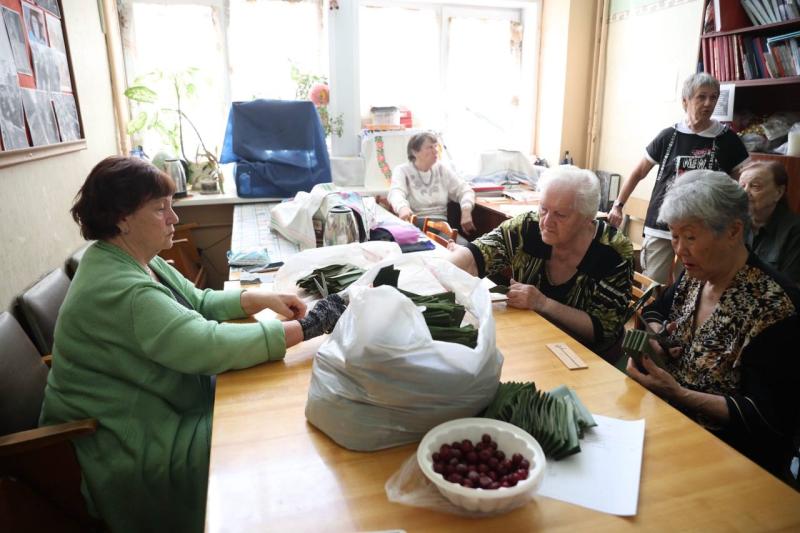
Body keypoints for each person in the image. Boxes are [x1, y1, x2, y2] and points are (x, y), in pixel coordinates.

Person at [39, 156, 347, 533]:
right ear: (122, 218)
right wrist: (308, 326)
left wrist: (264, 298)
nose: (174, 219)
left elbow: (197, 303)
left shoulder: (131, 259)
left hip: (154, 405)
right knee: (267, 428)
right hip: (125, 439)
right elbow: (205, 345)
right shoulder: (123, 289)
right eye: (160, 210)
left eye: (171, 207)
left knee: (264, 404)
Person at [627, 170, 799, 479]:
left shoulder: (774, 307)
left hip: (734, 462)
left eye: (691, 237)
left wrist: (679, 393)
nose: (679, 249)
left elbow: (767, 416)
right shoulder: (696, 274)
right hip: (671, 431)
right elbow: (658, 310)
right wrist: (656, 339)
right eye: (674, 235)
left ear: (733, 231)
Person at [447, 165, 633, 362]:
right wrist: (439, 276)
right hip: (533, 339)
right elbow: (475, 257)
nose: (546, 222)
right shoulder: (528, 228)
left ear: (588, 219)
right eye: (543, 209)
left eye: (560, 215)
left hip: (588, 357)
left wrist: (542, 303)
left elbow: (601, 330)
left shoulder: (613, 253)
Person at [607, 72, 749, 284]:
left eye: (713, 97)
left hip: (704, 230)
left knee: (692, 286)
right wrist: (618, 205)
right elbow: (638, 172)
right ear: (686, 101)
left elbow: (744, 181)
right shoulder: (669, 136)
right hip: (662, 225)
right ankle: (651, 318)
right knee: (653, 285)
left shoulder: (727, 140)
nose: (708, 103)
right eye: (701, 97)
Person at [388, 132, 476, 236]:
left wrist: (466, 211)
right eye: (429, 147)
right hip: (415, 224)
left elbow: (464, 190)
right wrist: (402, 207)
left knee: (465, 247)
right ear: (415, 152)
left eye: (436, 146)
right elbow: (395, 192)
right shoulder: (402, 170)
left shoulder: (442, 169)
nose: (435, 151)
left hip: (441, 225)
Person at [738, 160, 800, 284]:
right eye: (741, 186)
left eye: (755, 186)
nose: (745, 192)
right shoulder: (734, 224)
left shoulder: (795, 231)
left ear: (779, 192)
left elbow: (787, 286)